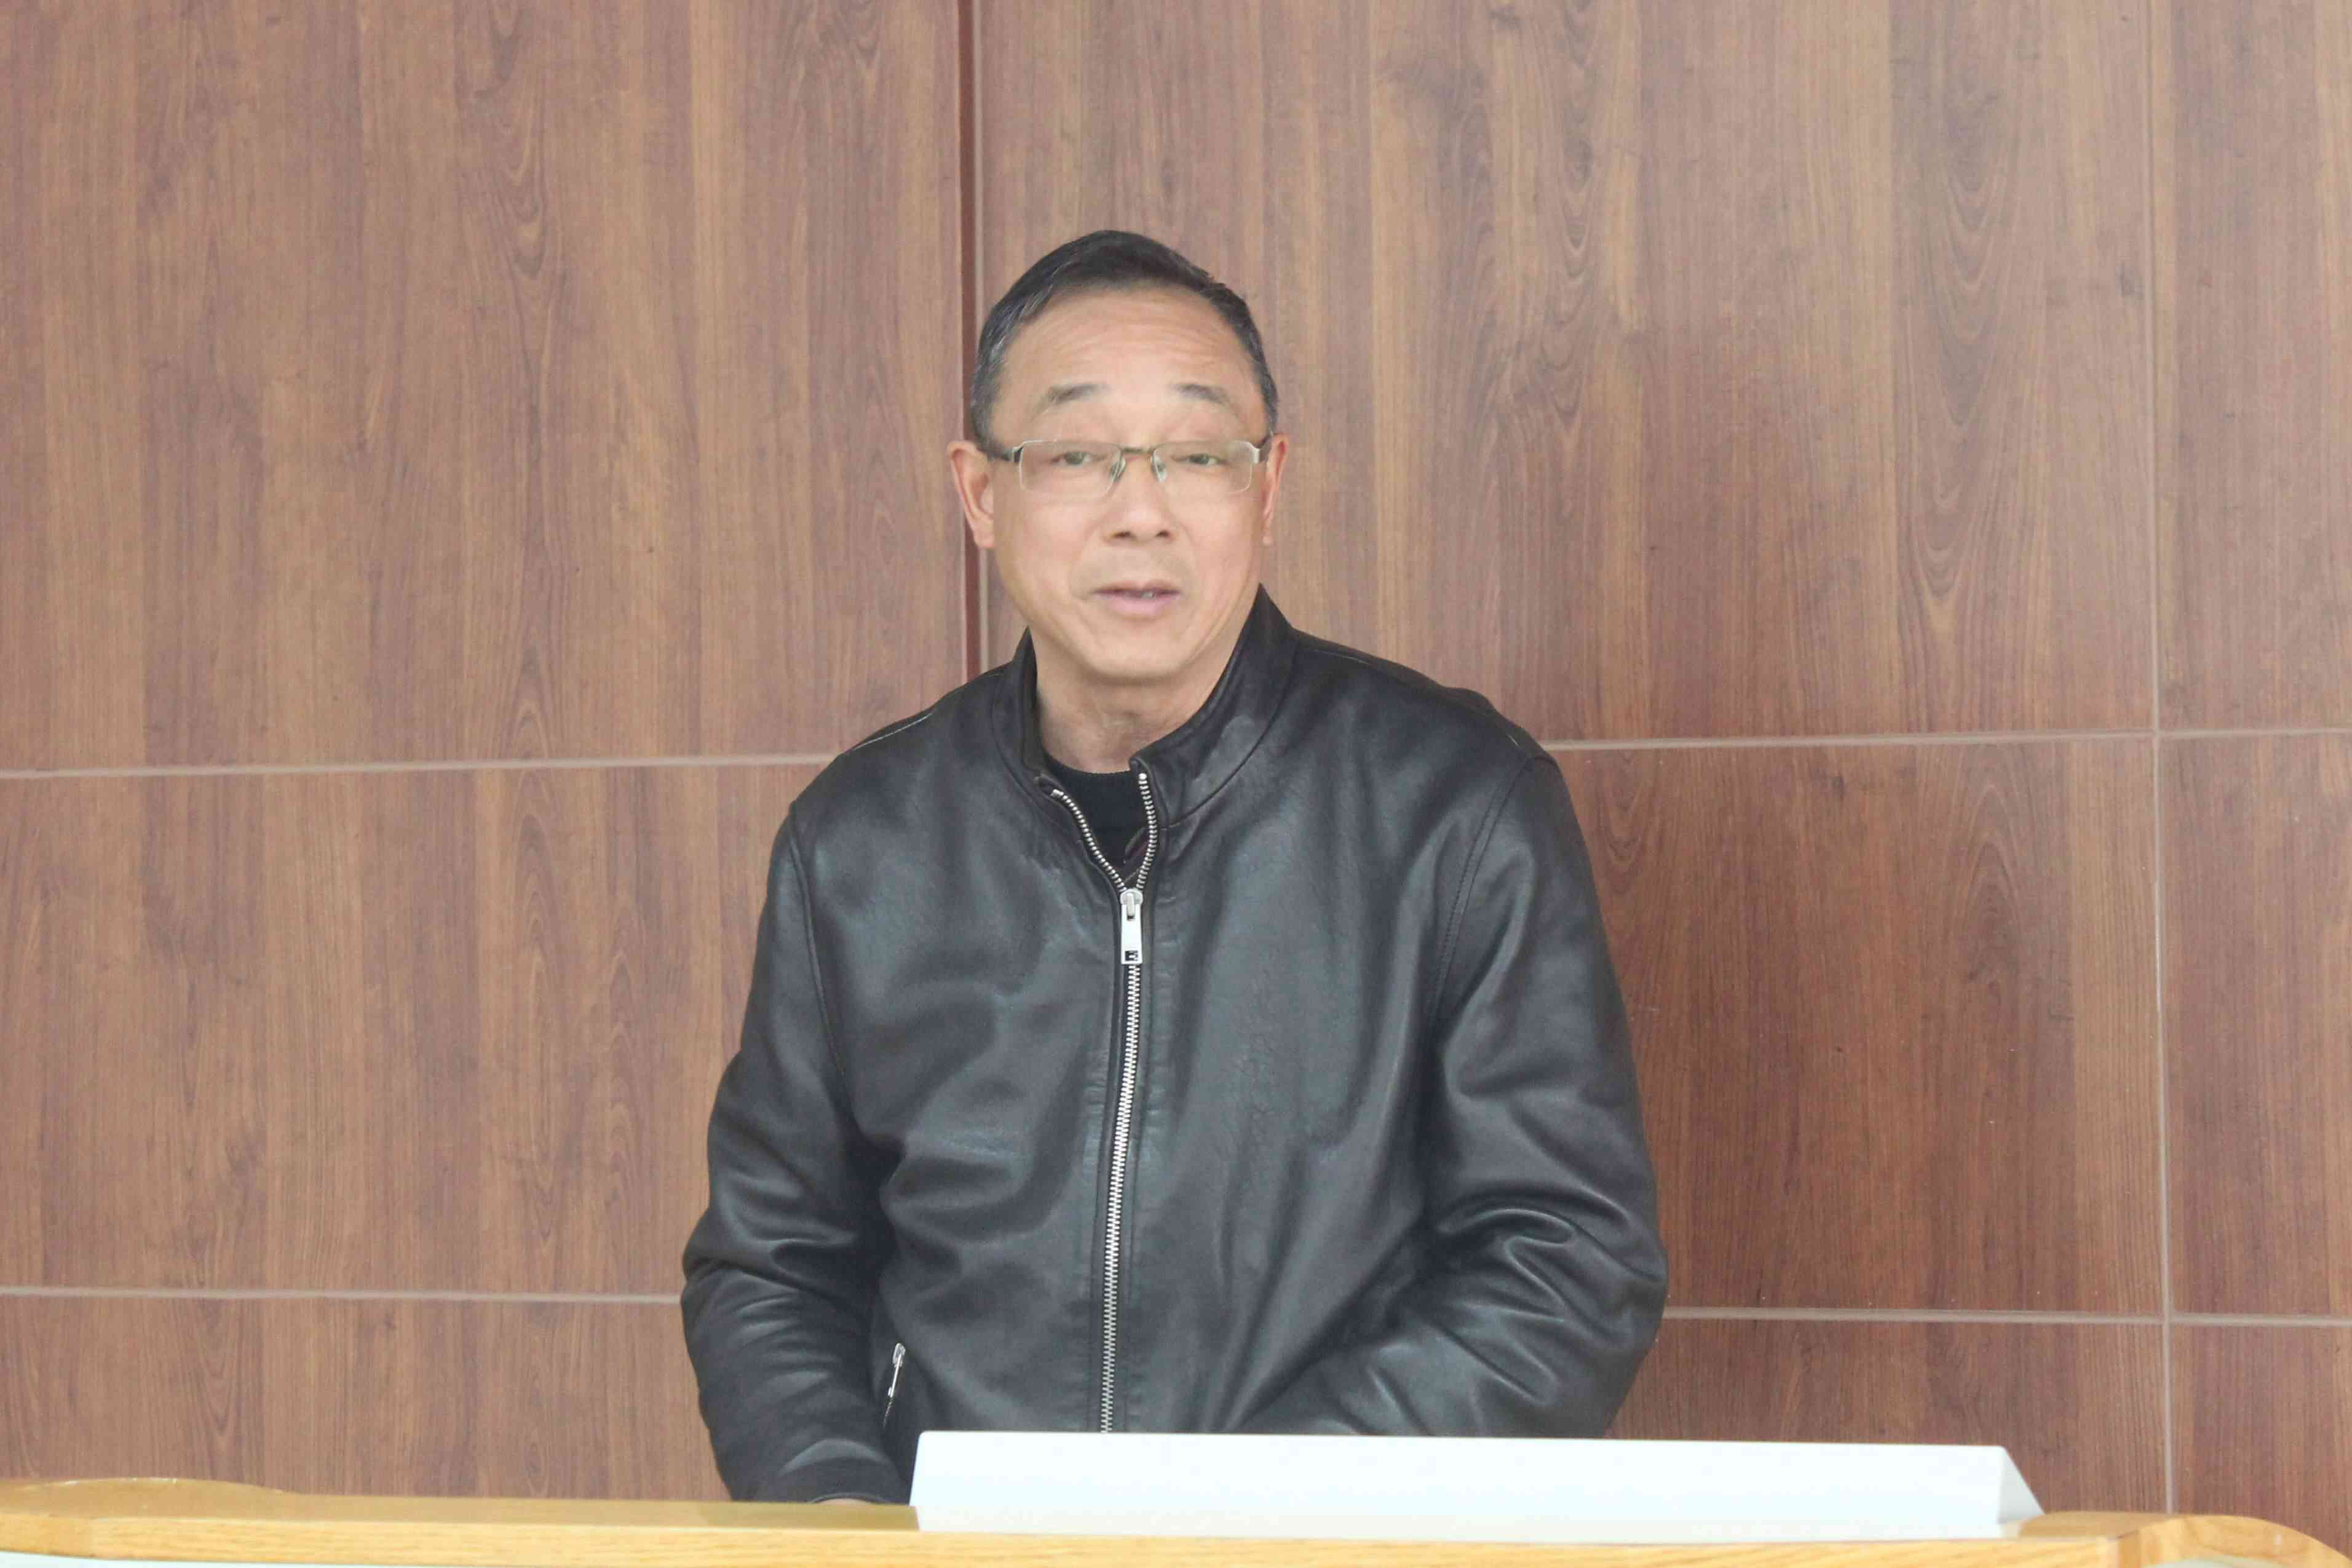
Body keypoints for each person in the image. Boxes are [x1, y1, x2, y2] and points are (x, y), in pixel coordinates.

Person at [681, 230, 1666, 1505]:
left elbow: (1564, 1262)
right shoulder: (862, 842)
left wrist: (1236, 1518)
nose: (1139, 511)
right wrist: (848, 1529)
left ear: (1267, 488)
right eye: (1076, 455)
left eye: (1197, 455)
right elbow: (772, 1266)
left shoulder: (1454, 808)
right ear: (980, 495)